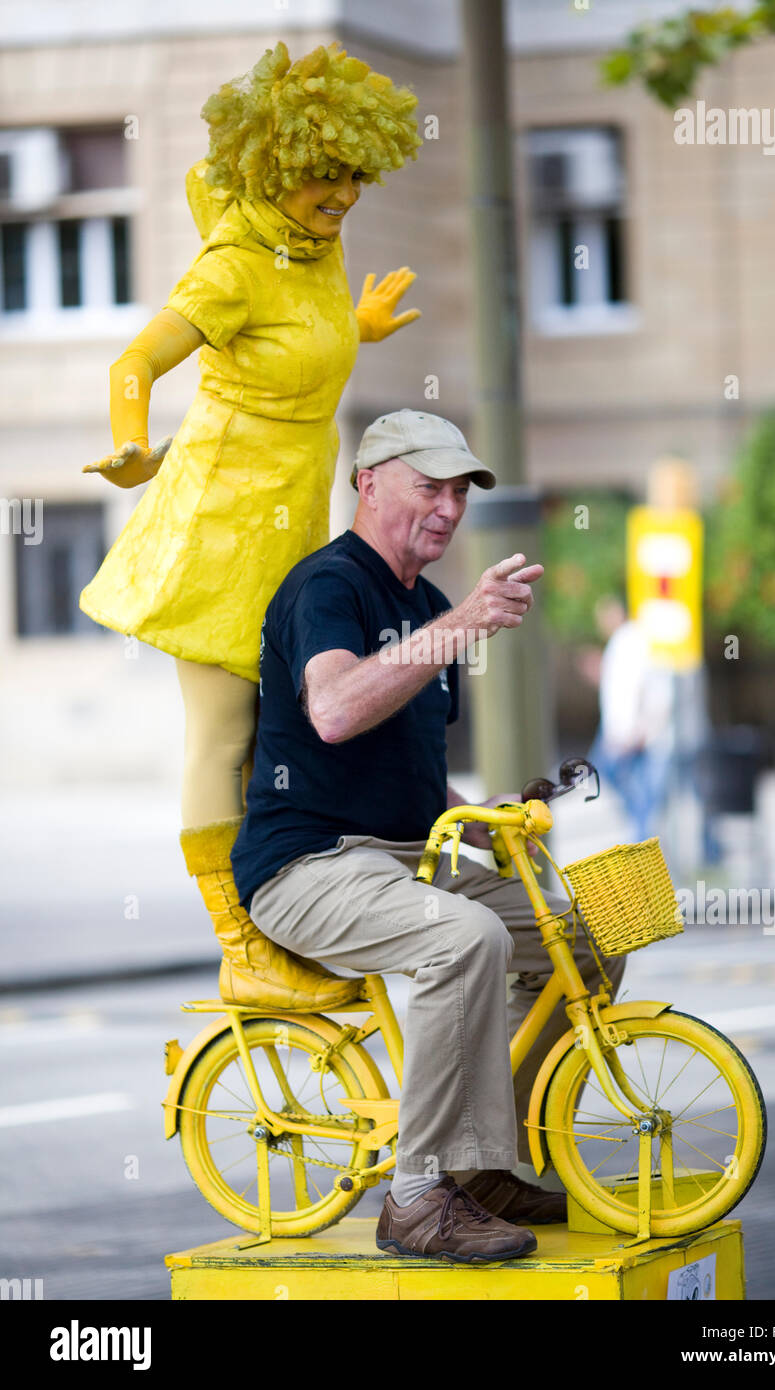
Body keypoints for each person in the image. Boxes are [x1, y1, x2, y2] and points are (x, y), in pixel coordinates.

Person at [232, 409, 627, 1262]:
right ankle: (415, 1194)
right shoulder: (328, 587)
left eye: (459, 491)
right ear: (368, 483)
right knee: (467, 937)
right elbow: (334, 712)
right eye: (430, 486)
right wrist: (465, 625)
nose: (448, 508)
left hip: (410, 854)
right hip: (308, 864)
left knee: (585, 936)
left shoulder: (431, 605)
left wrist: (481, 818)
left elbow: (407, 768)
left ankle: (482, 1164)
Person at [77, 42, 422, 1012]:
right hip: (218, 527)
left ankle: (290, 923)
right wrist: (132, 449)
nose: (345, 192)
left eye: (355, 172)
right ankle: (240, 949)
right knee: (223, 738)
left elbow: (298, 337)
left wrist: (355, 325)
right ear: (276, 161)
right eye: (326, 172)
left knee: (288, 733)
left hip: (287, 529)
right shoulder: (233, 263)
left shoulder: (318, 247)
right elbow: (134, 363)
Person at [587, 595, 674, 843]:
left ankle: (643, 842)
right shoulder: (624, 641)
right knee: (640, 792)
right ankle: (641, 834)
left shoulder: (629, 641)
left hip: (634, 734)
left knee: (644, 794)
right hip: (627, 731)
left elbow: (636, 689)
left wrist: (634, 731)